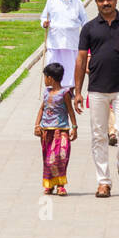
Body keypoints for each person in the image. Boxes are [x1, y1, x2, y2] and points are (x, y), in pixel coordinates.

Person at [72, 0, 119, 197]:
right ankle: (103, 181)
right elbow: (81, 58)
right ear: (96, 1)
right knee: (98, 135)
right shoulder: (89, 28)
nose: (105, 3)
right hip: (97, 89)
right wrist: (77, 91)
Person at [34, 61, 77, 195]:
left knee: (60, 156)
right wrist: (37, 125)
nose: (45, 79)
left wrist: (74, 127)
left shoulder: (65, 93)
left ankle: (60, 185)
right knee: (48, 158)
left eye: (45, 77)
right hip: (46, 132)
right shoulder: (46, 93)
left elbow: (70, 111)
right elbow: (42, 108)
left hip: (61, 131)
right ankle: (49, 184)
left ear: (50, 78)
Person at [40, 0, 86, 91]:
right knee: (52, 65)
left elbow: (85, 20)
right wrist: (44, 23)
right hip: (54, 41)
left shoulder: (77, 1)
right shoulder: (51, 0)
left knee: (71, 67)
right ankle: (52, 90)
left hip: (71, 41)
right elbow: (43, 17)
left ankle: (69, 91)